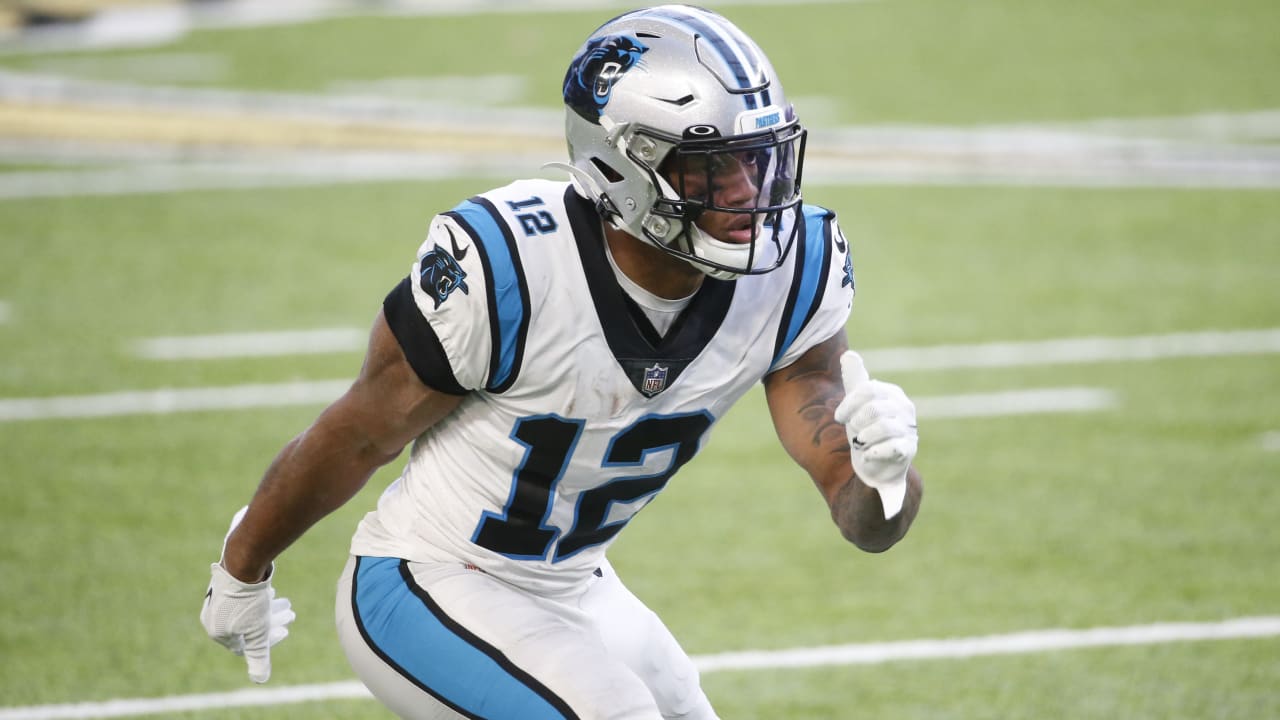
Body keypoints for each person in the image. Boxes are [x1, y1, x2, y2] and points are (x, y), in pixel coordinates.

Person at [199, 5, 923, 719]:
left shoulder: (793, 273)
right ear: (622, 166)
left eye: (761, 160)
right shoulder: (513, 264)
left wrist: (885, 479)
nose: (749, 195)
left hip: (573, 586)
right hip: (427, 576)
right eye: (713, 169)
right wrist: (242, 568)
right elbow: (361, 434)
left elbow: (863, 520)